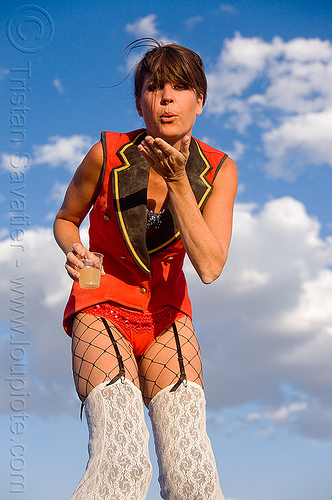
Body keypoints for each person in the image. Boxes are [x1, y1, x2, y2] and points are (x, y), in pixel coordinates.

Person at [54, 39, 238, 500]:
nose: (167, 97)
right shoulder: (106, 153)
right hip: (101, 304)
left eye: (181, 87)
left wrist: (178, 181)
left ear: (200, 100)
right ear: (140, 104)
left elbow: (211, 267)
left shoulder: (219, 169)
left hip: (167, 316)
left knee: (193, 475)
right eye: (155, 88)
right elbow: (65, 220)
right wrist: (76, 250)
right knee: (124, 462)